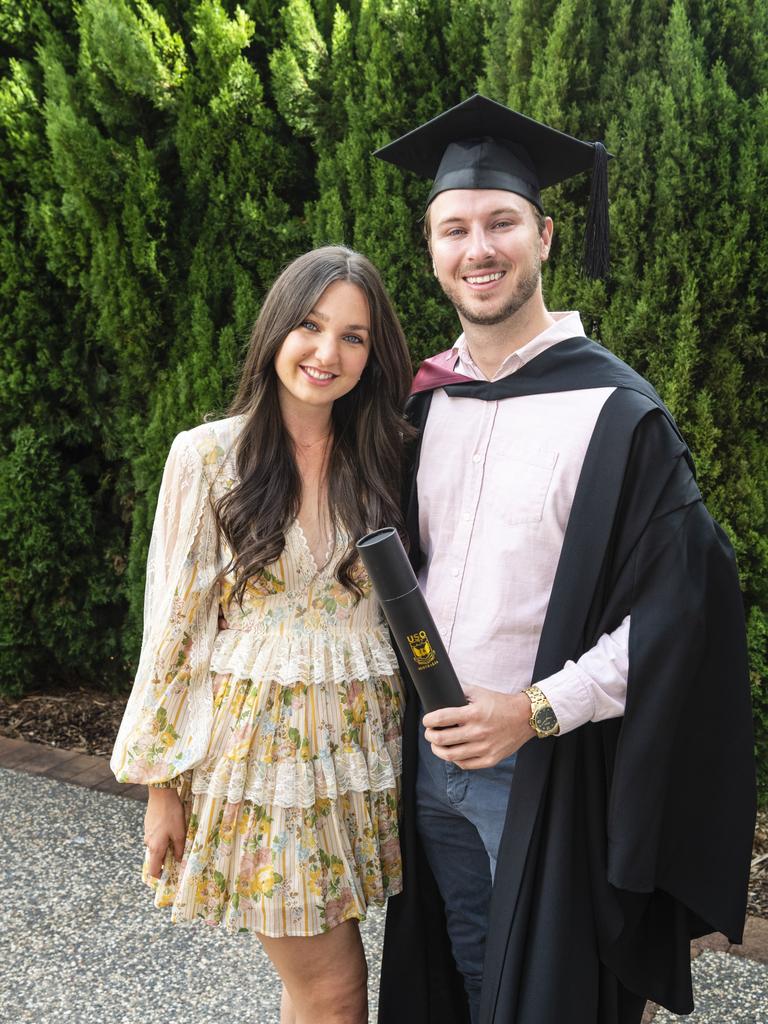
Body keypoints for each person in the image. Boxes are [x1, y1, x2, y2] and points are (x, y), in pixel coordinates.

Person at [373, 95, 756, 1024]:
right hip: (425, 767)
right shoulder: (422, 405)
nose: (479, 249)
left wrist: (535, 711)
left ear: (543, 234)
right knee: (461, 978)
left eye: (501, 222)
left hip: (551, 772)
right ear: (430, 248)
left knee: (557, 999)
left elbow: (682, 617)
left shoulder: (619, 415)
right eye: (454, 228)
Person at [111, 245, 414, 1024]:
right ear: (277, 328)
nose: (327, 352)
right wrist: (160, 786)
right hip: (262, 762)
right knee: (334, 985)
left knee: (325, 982)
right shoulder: (210, 454)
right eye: (311, 326)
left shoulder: (387, 454)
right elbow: (173, 625)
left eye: (354, 336)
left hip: (361, 757)